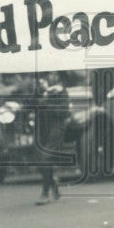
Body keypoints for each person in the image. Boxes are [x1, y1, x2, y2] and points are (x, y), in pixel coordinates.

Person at [33, 72, 70, 205]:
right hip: (42, 128)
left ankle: (45, 193)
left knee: (46, 157)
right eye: (49, 74)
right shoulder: (41, 91)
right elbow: (29, 105)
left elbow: (63, 111)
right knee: (38, 160)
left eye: (54, 75)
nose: (51, 77)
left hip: (56, 127)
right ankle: (53, 182)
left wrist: (45, 104)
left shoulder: (61, 92)